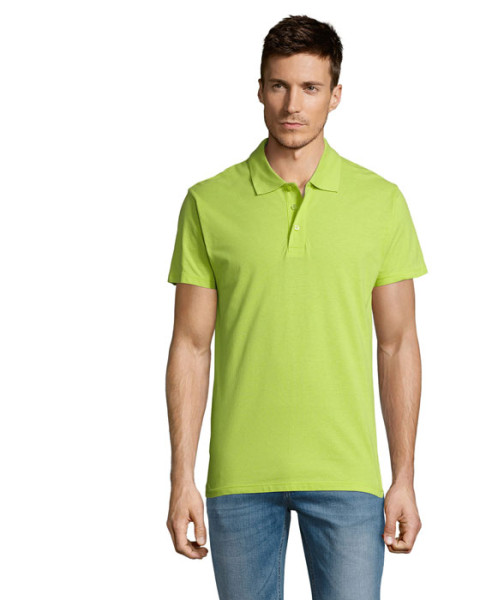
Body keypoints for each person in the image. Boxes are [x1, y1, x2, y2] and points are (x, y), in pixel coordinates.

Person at [165, 14, 428, 600]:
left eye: (310, 87)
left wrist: (404, 476)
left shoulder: (381, 202)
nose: (292, 104)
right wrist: (182, 477)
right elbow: (191, 345)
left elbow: (398, 344)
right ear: (259, 89)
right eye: (279, 85)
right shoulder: (208, 203)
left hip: (348, 476)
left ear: (335, 95)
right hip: (239, 479)